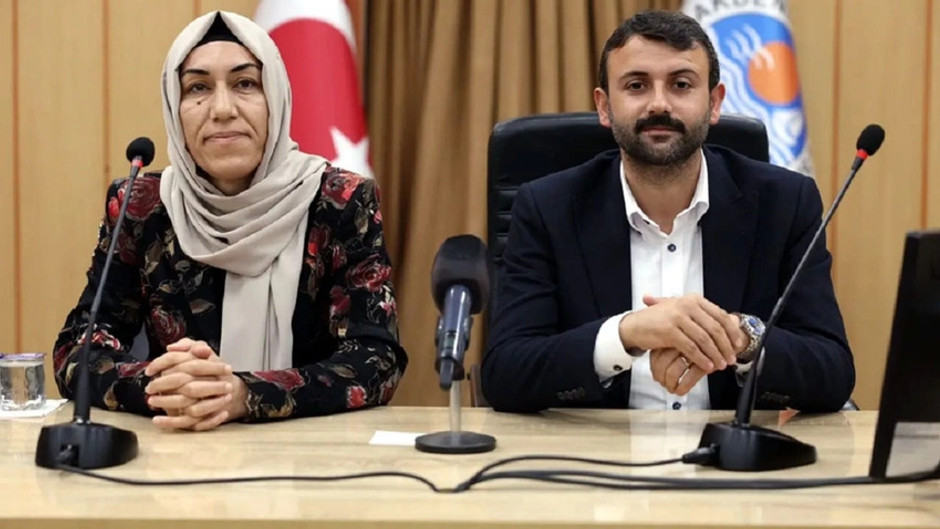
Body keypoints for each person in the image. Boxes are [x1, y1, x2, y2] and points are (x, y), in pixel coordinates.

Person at [481, 10, 854, 413]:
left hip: (728, 448)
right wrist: (625, 334)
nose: (659, 104)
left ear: (714, 103)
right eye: (636, 85)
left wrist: (740, 338)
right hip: (598, 448)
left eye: (681, 84)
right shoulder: (548, 208)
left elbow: (833, 372)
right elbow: (506, 372)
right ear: (604, 107)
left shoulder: (784, 203)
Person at [53, 11, 407, 431]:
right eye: (198, 87)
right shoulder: (142, 205)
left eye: (245, 84)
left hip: (308, 452)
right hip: (179, 446)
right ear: (174, 107)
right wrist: (164, 387)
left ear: (276, 98)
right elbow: (78, 348)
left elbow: (376, 360)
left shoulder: (340, 201)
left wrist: (243, 394)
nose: (222, 109)